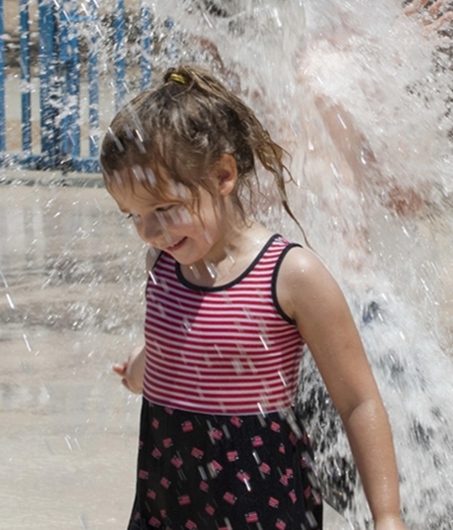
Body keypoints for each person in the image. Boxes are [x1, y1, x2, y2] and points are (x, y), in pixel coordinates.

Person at [102, 65, 408, 530]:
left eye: (165, 209)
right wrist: (141, 368)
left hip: (260, 505)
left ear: (224, 174)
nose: (150, 231)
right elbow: (182, 344)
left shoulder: (291, 276)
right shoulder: (163, 265)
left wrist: (387, 516)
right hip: (165, 503)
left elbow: (358, 402)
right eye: (134, 216)